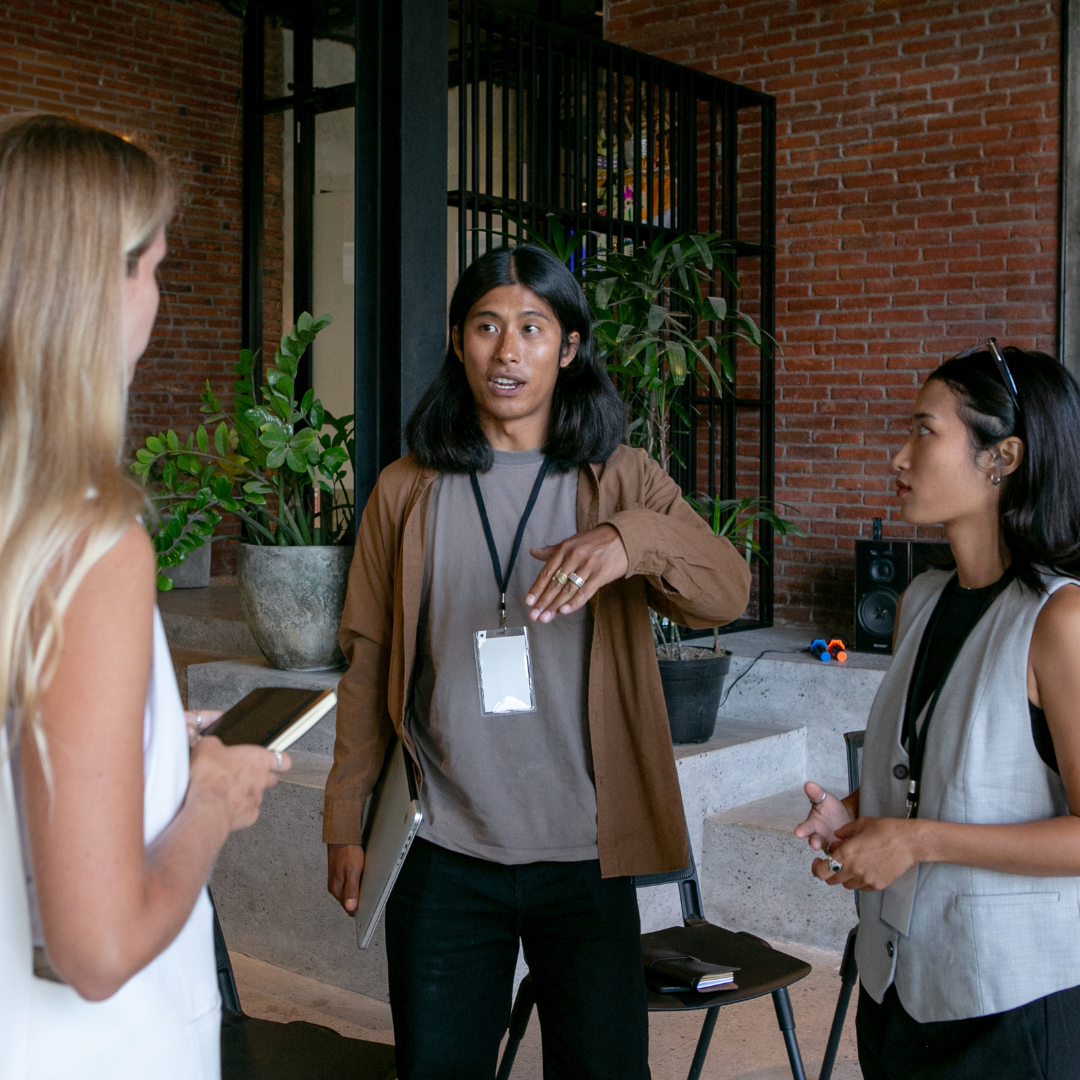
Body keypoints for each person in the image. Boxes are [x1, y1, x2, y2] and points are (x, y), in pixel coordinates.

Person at [324, 244, 751, 1079]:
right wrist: (344, 818)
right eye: (486, 326)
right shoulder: (406, 489)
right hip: (444, 851)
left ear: (570, 347)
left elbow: (725, 590)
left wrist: (628, 540)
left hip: (586, 854)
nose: (507, 351)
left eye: (531, 328)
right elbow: (368, 662)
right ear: (458, 342)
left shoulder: (622, 480)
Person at [0, 114, 289, 1079]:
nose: (156, 302)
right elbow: (97, 946)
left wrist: (149, 731)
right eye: (153, 267)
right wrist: (208, 795)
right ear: (93, 286)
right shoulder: (89, 540)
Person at [796, 342, 1080, 1079]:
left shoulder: (1061, 621)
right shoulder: (921, 600)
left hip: (1012, 1004)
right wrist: (859, 812)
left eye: (924, 431)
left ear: (1002, 457)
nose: (899, 457)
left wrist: (915, 841)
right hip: (897, 985)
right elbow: (951, 766)